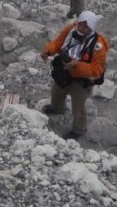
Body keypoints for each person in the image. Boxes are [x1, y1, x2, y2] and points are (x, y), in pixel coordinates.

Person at [40, 11, 109, 140]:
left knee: (78, 105)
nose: (82, 28)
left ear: (92, 28)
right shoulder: (70, 30)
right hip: (65, 70)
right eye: (81, 24)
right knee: (56, 92)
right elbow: (58, 43)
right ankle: (57, 108)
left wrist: (77, 65)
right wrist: (48, 51)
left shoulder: (98, 45)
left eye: (86, 26)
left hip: (82, 79)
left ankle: (79, 129)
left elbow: (97, 70)